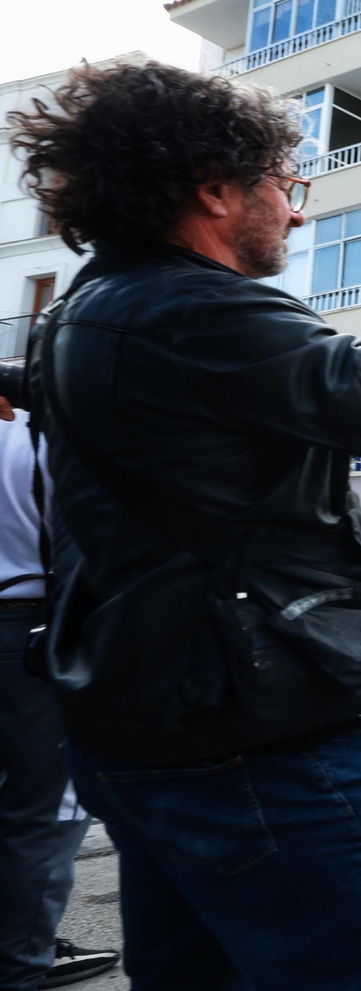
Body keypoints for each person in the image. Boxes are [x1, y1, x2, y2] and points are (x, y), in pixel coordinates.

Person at [10, 59, 361, 990]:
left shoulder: (93, 310)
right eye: (286, 185)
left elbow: (288, 409)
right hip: (250, 739)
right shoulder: (198, 308)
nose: (297, 213)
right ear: (216, 188)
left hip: (149, 722)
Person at [0, 390, 121, 989]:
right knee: (45, 814)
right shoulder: (45, 425)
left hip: (26, 624)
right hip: (29, 630)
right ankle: (20, 960)